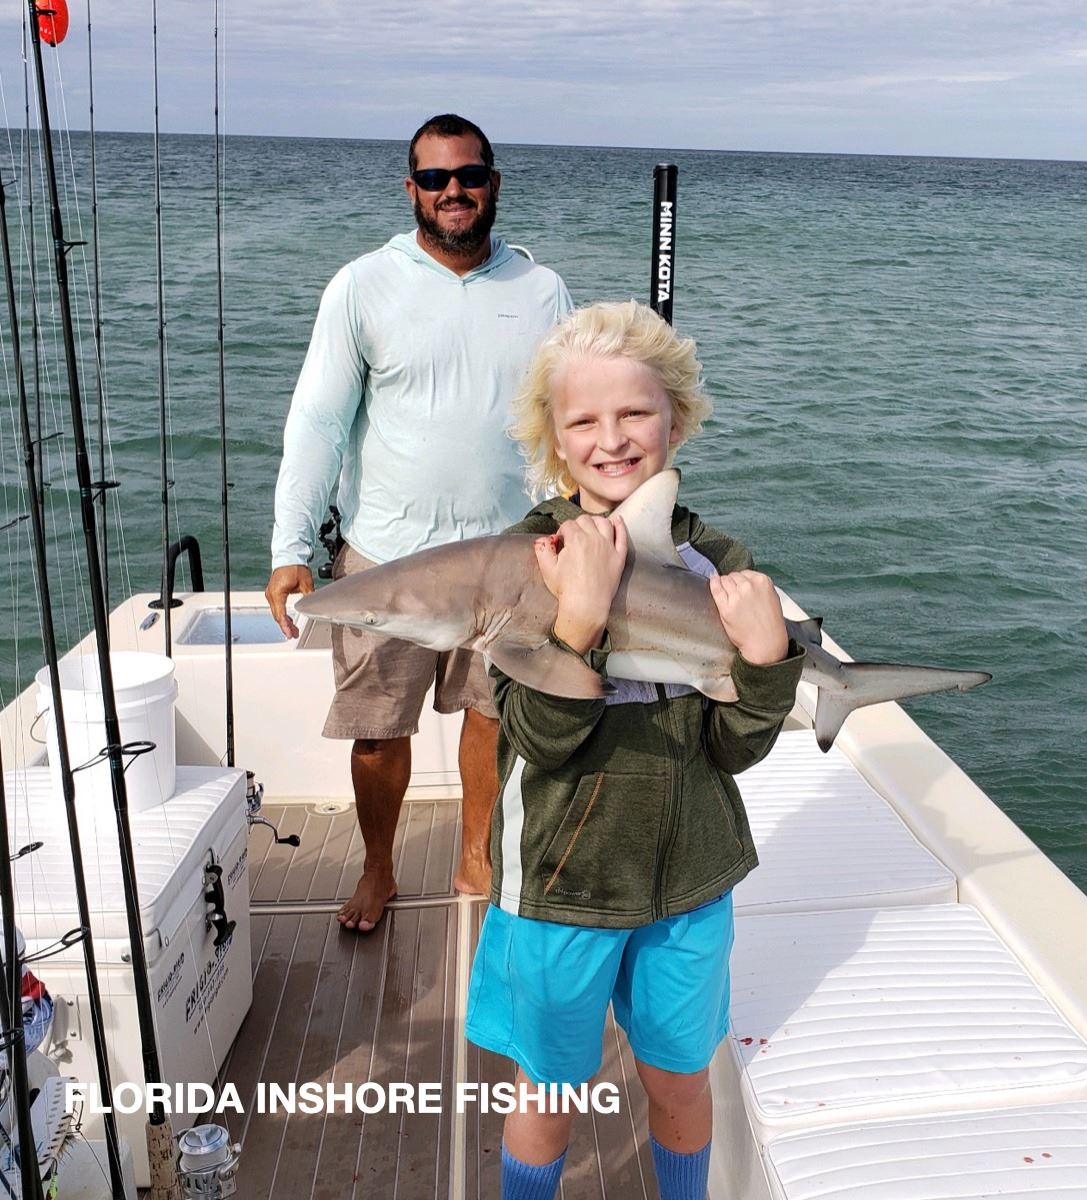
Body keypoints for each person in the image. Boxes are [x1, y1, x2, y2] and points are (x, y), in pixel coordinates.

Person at [465, 301, 805, 1199]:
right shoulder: (521, 561)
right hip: (559, 887)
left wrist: (767, 666)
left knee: (680, 1085)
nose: (611, 438)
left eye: (634, 413)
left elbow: (734, 749)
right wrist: (574, 624)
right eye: (583, 420)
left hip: (689, 883)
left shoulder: (716, 564)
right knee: (548, 1094)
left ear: (675, 421)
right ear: (553, 439)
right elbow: (539, 742)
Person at [265, 114, 572, 928]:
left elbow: (568, 421)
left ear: (493, 182)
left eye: (467, 175)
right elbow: (318, 422)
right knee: (375, 732)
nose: (453, 191)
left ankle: (477, 854)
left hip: (508, 559)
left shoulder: (543, 290)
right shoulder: (362, 285)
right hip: (386, 562)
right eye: (435, 179)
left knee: (493, 716)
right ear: (412, 190)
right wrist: (291, 546)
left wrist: (583, 523)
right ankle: (377, 868)